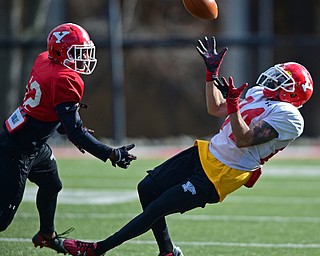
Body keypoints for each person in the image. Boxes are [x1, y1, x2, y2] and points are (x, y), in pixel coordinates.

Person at [62, 36, 314, 256]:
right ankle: (168, 252)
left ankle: (97, 250)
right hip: (208, 152)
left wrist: (234, 104)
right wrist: (211, 75)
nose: (273, 79)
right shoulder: (260, 92)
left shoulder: (291, 117)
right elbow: (215, 108)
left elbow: (244, 138)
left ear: (293, 93)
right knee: (147, 189)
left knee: (157, 209)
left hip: (226, 172)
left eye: (283, 80)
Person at [0, 23, 137, 254]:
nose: (83, 58)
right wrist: (111, 153)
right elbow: (75, 132)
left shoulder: (44, 59)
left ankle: (47, 234)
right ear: (60, 52)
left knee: (52, 184)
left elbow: (51, 108)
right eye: (77, 52)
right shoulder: (66, 79)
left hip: (32, 142)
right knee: (2, 220)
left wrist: (70, 130)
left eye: (84, 51)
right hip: (18, 150)